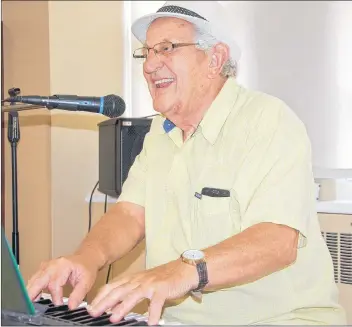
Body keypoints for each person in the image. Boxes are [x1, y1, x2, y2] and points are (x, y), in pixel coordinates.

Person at [27, 1, 346, 325]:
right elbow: (130, 214)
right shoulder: (159, 134)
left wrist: (182, 271)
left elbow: (277, 241)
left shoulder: (269, 121)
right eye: (146, 52)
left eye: (166, 48)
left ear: (215, 59)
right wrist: (85, 258)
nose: (150, 65)